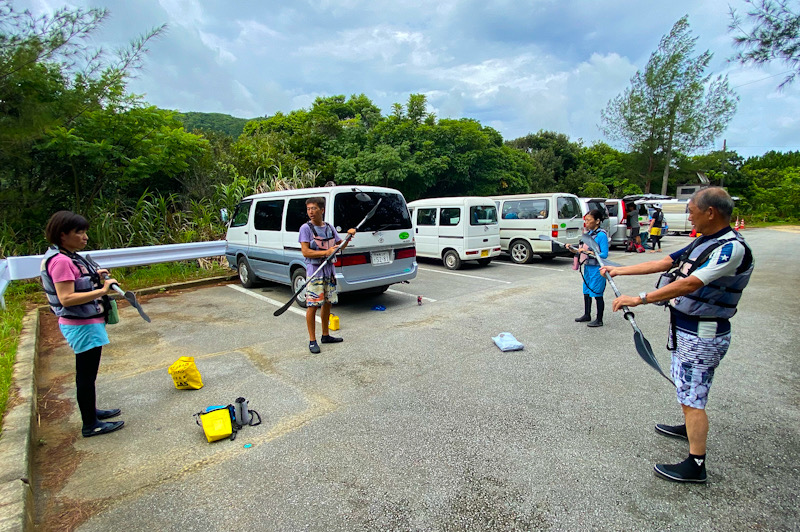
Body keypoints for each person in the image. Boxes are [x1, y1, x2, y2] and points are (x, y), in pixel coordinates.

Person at [600, 187, 754, 483]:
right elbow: (665, 262)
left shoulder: (730, 247)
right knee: (687, 386)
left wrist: (640, 298)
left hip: (704, 332)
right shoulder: (705, 242)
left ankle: (696, 466)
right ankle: (689, 426)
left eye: (692, 211)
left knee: (694, 395)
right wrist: (620, 271)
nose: (689, 216)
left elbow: (690, 284)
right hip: (687, 329)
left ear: (711, 212)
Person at [40, 211, 125, 438]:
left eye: (85, 231)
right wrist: (102, 290)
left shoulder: (68, 256)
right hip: (81, 325)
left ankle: (92, 412)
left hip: (86, 322)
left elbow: (77, 281)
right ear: (62, 234)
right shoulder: (61, 261)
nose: (85, 236)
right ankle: (90, 424)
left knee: (88, 375)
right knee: (86, 376)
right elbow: (66, 298)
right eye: (79, 232)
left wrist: (95, 275)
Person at [299, 197, 356, 354]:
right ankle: (312, 340)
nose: (311, 212)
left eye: (314, 208)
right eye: (309, 209)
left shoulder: (330, 227)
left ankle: (326, 335)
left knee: (327, 303)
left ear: (322, 210)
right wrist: (326, 252)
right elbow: (305, 251)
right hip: (315, 271)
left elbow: (339, 247)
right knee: (312, 305)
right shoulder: (305, 228)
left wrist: (348, 237)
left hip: (329, 271)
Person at [566, 209, 609, 328]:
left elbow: (604, 254)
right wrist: (572, 248)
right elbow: (582, 249)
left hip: (597, 269)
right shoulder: (588, 234)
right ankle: (587, 314)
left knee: (597, 293)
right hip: (588, 267)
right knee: (586, 291)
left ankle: (599, 319)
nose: (586, 222)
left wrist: (588, 252)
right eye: (585, 220)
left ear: (597, 221)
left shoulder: (601, 235)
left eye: (589, 220)